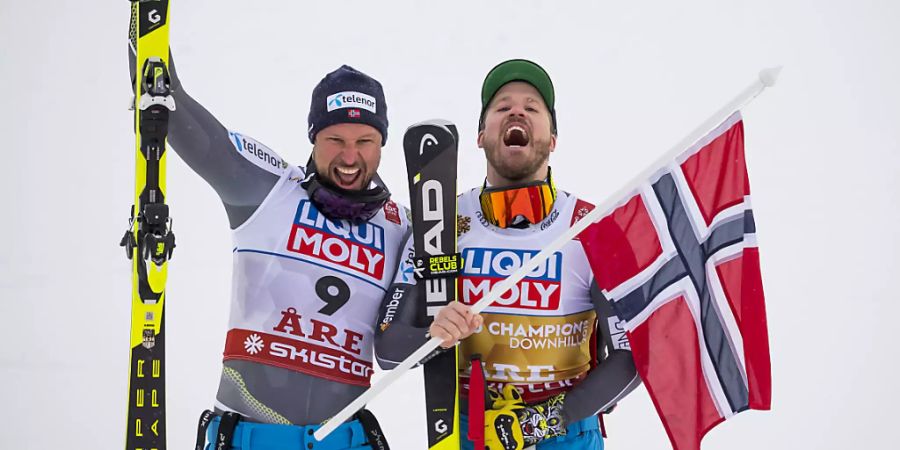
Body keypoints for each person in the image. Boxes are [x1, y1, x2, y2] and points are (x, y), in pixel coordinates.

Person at [126, 16, 478, 450]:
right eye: (335, 140)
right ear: (313, 137)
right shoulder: (266, 189)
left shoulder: (404, 227)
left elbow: (389, 351)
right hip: (252, 436)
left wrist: (436, 333)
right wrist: (146, 24)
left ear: (382, 143)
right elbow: (171, 105)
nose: (350, 157)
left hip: (343, 438)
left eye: (365, 141)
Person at [376, 59, 641, 450]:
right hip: (466, 432)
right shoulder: (440, 221)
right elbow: (388, 347)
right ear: (481, 136)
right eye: (502, 107)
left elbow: (633, 357)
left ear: (552, 139)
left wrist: (546, 420)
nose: (516, 110)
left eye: (532, 107)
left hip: (565, 431)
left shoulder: (594, 228)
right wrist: (432, 335)